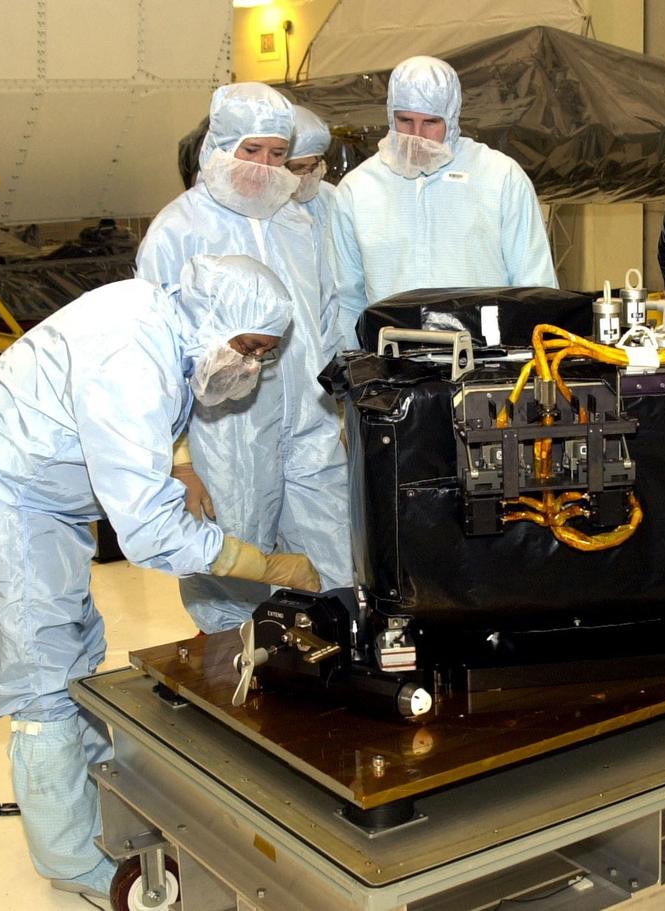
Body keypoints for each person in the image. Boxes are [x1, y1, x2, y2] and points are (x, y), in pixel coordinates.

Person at [0, 255, 320, 898]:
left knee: (76, 649)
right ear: (214, 319)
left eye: (263, 355)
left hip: (41, 493)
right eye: (246, 348)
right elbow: (151, 533)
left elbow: (160, 408)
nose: (249, 366)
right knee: (42, 677)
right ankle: (73, 859)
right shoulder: (129, 359)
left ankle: (94, 795)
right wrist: (266, 565)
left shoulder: (165, 317)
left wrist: (180, 462)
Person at [137, 83, 352, 635]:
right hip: (224, 435)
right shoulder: (177, 231)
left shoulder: (299, 224)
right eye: (251, 151)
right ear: (220, 144)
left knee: (331, 555)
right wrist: (178, 459)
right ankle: (229, 676)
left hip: (311, 421)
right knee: (230, 565)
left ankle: (321, 665)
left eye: (277, 155)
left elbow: (327, 321)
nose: (264, 167)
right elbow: (153, 360)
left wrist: (344, 408)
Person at [327, 55, 558, 349]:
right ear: (390, 115)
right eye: (405, 121)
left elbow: (535, 288)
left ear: (452, 118)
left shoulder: (499, 178)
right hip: (393, 367)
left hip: (486, 363)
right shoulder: (358, 190)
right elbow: (346, 299)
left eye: (431, 122)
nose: (417, 136)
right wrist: (353, 373)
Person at [286, 103, 342, 362]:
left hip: (331, 339)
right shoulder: (263, 213)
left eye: (314, 166)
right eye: (298, 168)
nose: (307, 176)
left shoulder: (333, 200)